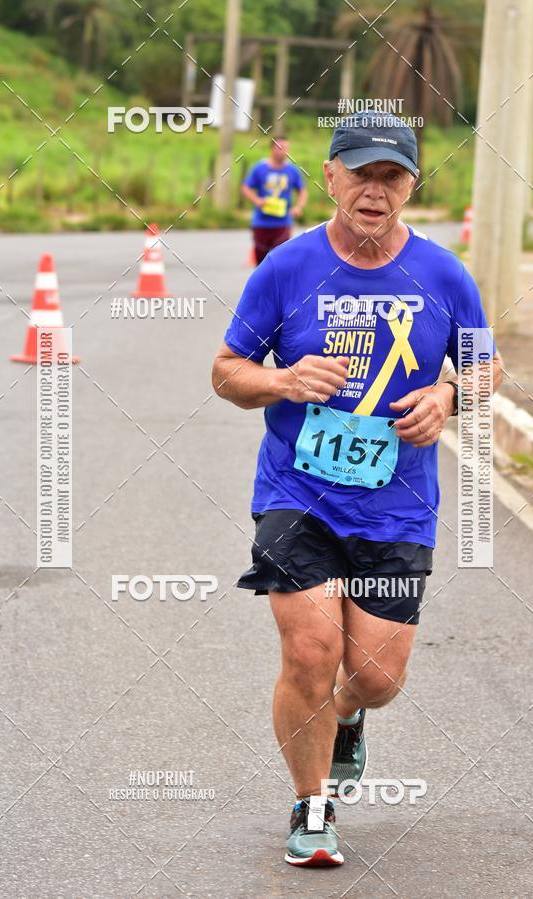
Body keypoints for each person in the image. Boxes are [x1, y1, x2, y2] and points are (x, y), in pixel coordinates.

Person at [212, 113, 502, 867]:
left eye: (392, 176)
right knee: (310, 652)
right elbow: (226, 372)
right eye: (362, 173)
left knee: (374, 677)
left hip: (397, 506)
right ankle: (312, 806)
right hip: (296, 494)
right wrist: (281, 379)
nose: (375, 191)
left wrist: (449, 396)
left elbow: (486, 365)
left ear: (412, 184)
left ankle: (347, 714)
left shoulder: (443, 273)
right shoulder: (287, 267)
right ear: (330, 175)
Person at [242, 135, 308, 265]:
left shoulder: (292, 170)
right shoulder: (259, 168)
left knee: (280, 260)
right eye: (281, 148)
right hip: (261, 222)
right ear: (272, 149)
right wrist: (257, 200)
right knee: (261, 263)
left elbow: (302, 191)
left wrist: (298, 207)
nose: (284, 151)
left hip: (283, 223)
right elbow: (246, 188)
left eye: (286, 148)